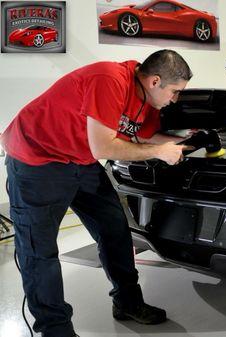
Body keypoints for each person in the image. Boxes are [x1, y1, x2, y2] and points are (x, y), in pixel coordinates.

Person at [2, 49, 193, 337]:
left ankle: (128, 302)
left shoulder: (148, 100)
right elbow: (103, 148)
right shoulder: (109, 79)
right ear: (155, 81)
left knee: (114, 229)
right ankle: (56, 331)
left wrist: (185, 141)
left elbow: (145, 135)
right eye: (175, 92)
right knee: (39, 251)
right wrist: (159, 153)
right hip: (37, 161)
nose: (175, 99)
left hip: (80, 160)